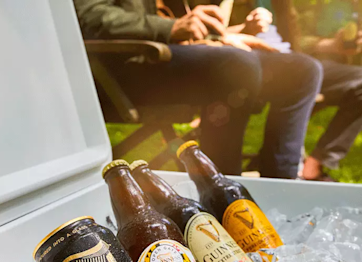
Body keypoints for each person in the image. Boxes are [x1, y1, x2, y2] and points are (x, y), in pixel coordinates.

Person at [74, 0, 322, 179]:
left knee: (301, 72)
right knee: (237, 67)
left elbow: (182, 27)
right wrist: (170, 27)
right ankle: (224, 193)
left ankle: (280, 187)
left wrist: (224, 36)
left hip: (171, 54)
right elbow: (88, 16)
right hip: (126, 69)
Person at [227, 0, 362, 181]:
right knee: (301, 72)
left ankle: (316, 163)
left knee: (307, 69)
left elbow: (297, 40)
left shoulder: (285, 4)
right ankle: (278, 174)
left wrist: (332, 45)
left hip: (295, 60)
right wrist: (243, 29)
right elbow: (203, 34)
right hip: (246, 59)